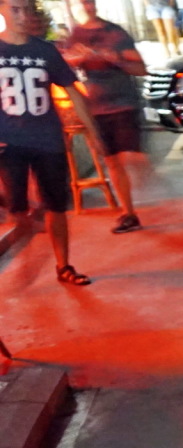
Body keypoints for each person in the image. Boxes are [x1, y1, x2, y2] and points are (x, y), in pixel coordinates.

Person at [0, 0, 103, 284]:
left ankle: (63, 265)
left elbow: (72, 91)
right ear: (1, 9)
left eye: (26, 9)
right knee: (16, 210)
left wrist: (93, 132)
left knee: (56, 206)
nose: (22, 16)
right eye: (14, 9)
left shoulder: (44, 51)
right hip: (8, 142)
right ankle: (28, 224)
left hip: (47, 139)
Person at [64, 0, 149, 234]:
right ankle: (129, 213)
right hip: (98, 107)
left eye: (89, 1)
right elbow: (65, 65)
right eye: (82, 3)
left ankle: (145, 181)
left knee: (131, 158)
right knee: (112, 161)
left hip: (123, 105)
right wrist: (76, 59)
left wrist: (114, 58)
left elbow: (141, 68)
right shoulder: (77, 34)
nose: (87, 6)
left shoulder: (114, 33)